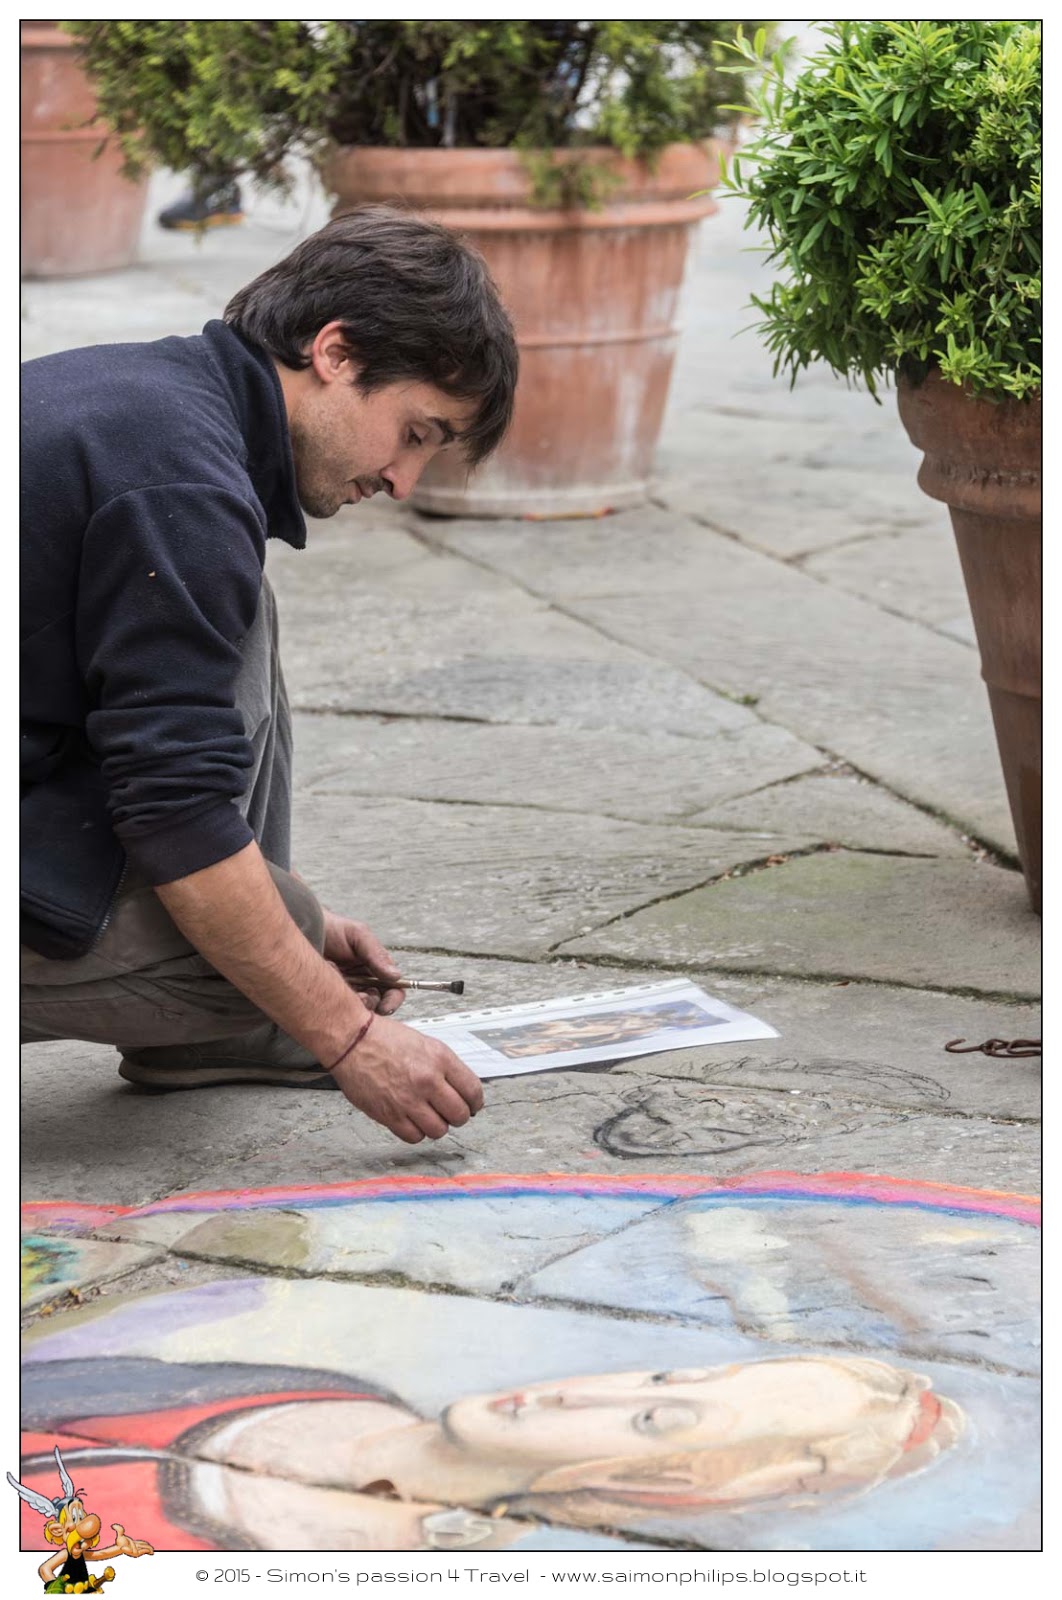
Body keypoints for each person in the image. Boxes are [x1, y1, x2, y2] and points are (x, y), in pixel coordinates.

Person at [20, 205, 519, 1146]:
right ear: (335, 352)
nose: (404, 481)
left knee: (240, 615)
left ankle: (229, 1018)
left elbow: (152, 741)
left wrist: (303, 928)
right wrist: (345, 1034)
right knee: (258, 939)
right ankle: (229, 1016)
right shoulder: (183, 484)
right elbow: (172, 807)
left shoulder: (159, 403)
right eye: (415, 433)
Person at [18, 1352, 962, 1550]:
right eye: (662, 1376)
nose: (591, 1387)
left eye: (652, 1421)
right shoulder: (321, 1390)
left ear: (664, 1482)